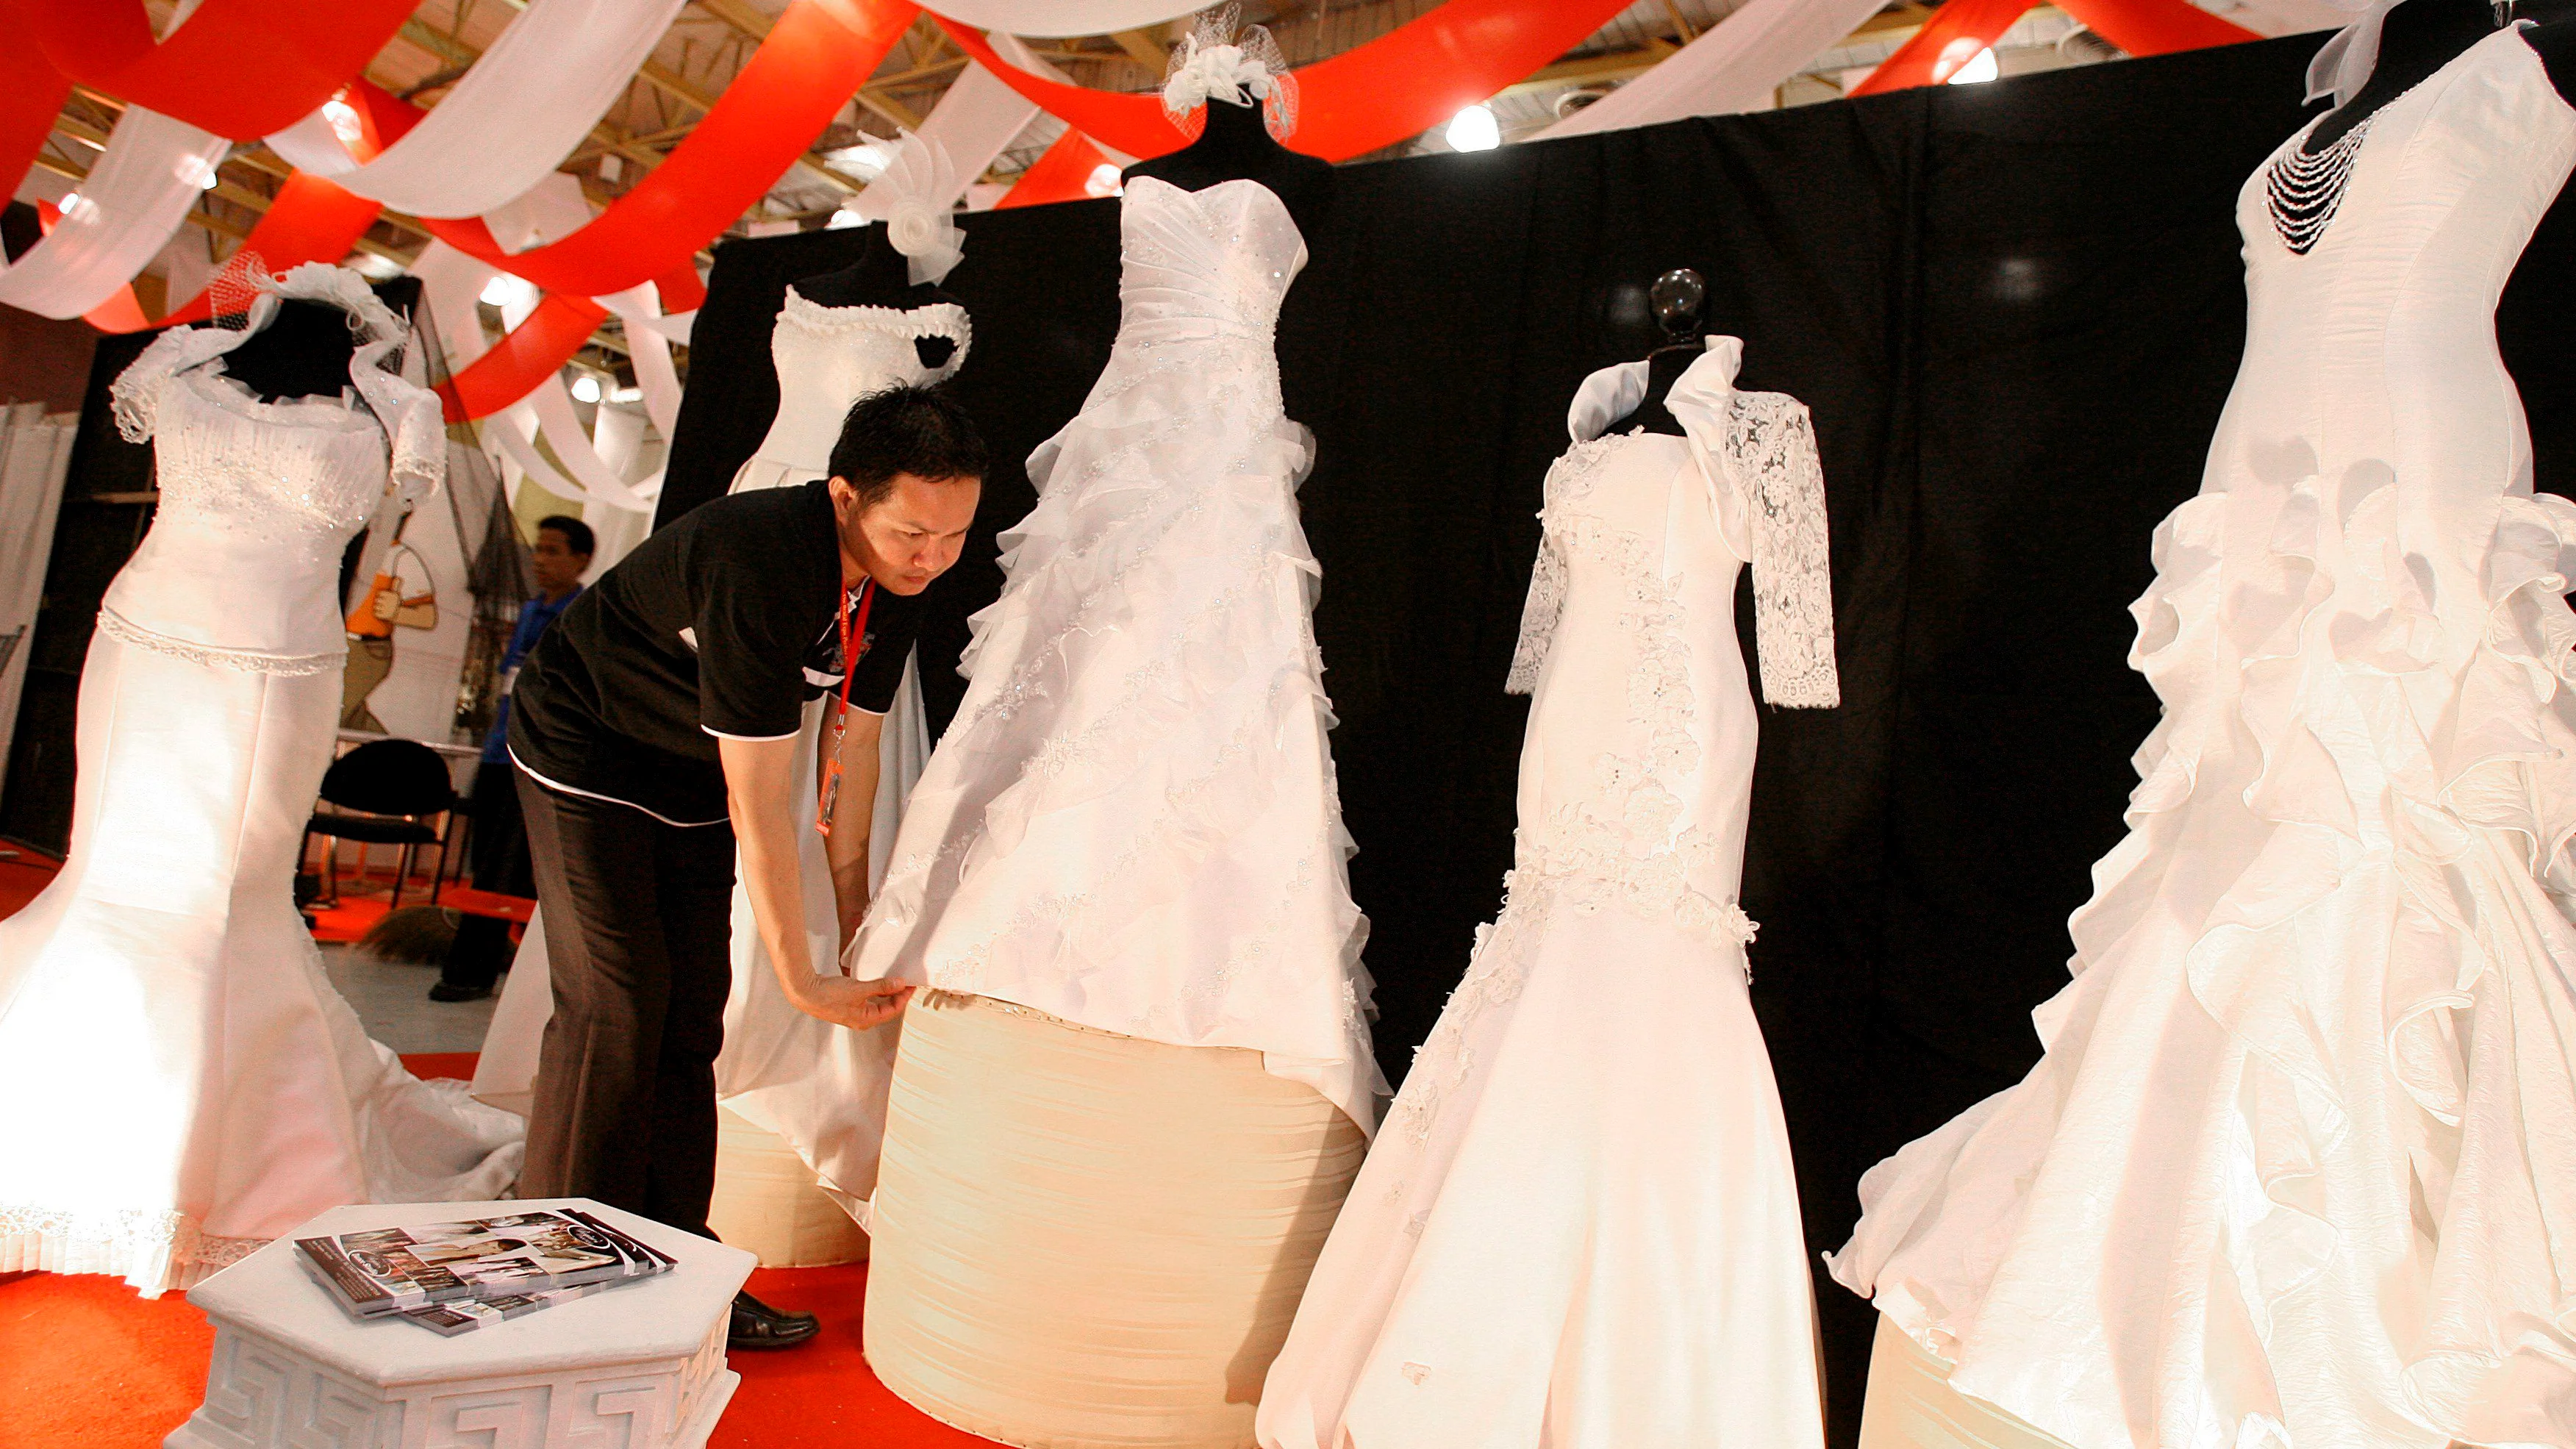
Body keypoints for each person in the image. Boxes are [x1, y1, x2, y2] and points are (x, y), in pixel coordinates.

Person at [505, 384, 983, 1350]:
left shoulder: (897, 586)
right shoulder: (763, 557)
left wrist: (854, 928)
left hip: (684, 762)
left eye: (955, 535)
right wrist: (805, 976)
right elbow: (762, 803)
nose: (932, 556)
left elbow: (849, 761)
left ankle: (678, 1267)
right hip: (586, 747)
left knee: (692, 1013)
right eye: (911, 533)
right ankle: (564, 1275)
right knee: (618, 1005)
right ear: (846, 495)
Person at [430, 515, 594, 1003]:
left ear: (582, 558)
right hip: (497, 752)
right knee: (483, 862)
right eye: (538, 550)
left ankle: (471, 971)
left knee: (508, 869)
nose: (542, 561)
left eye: (554, 550)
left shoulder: (581, 612)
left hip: (537, 758)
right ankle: (486, 958)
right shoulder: (528, 609)